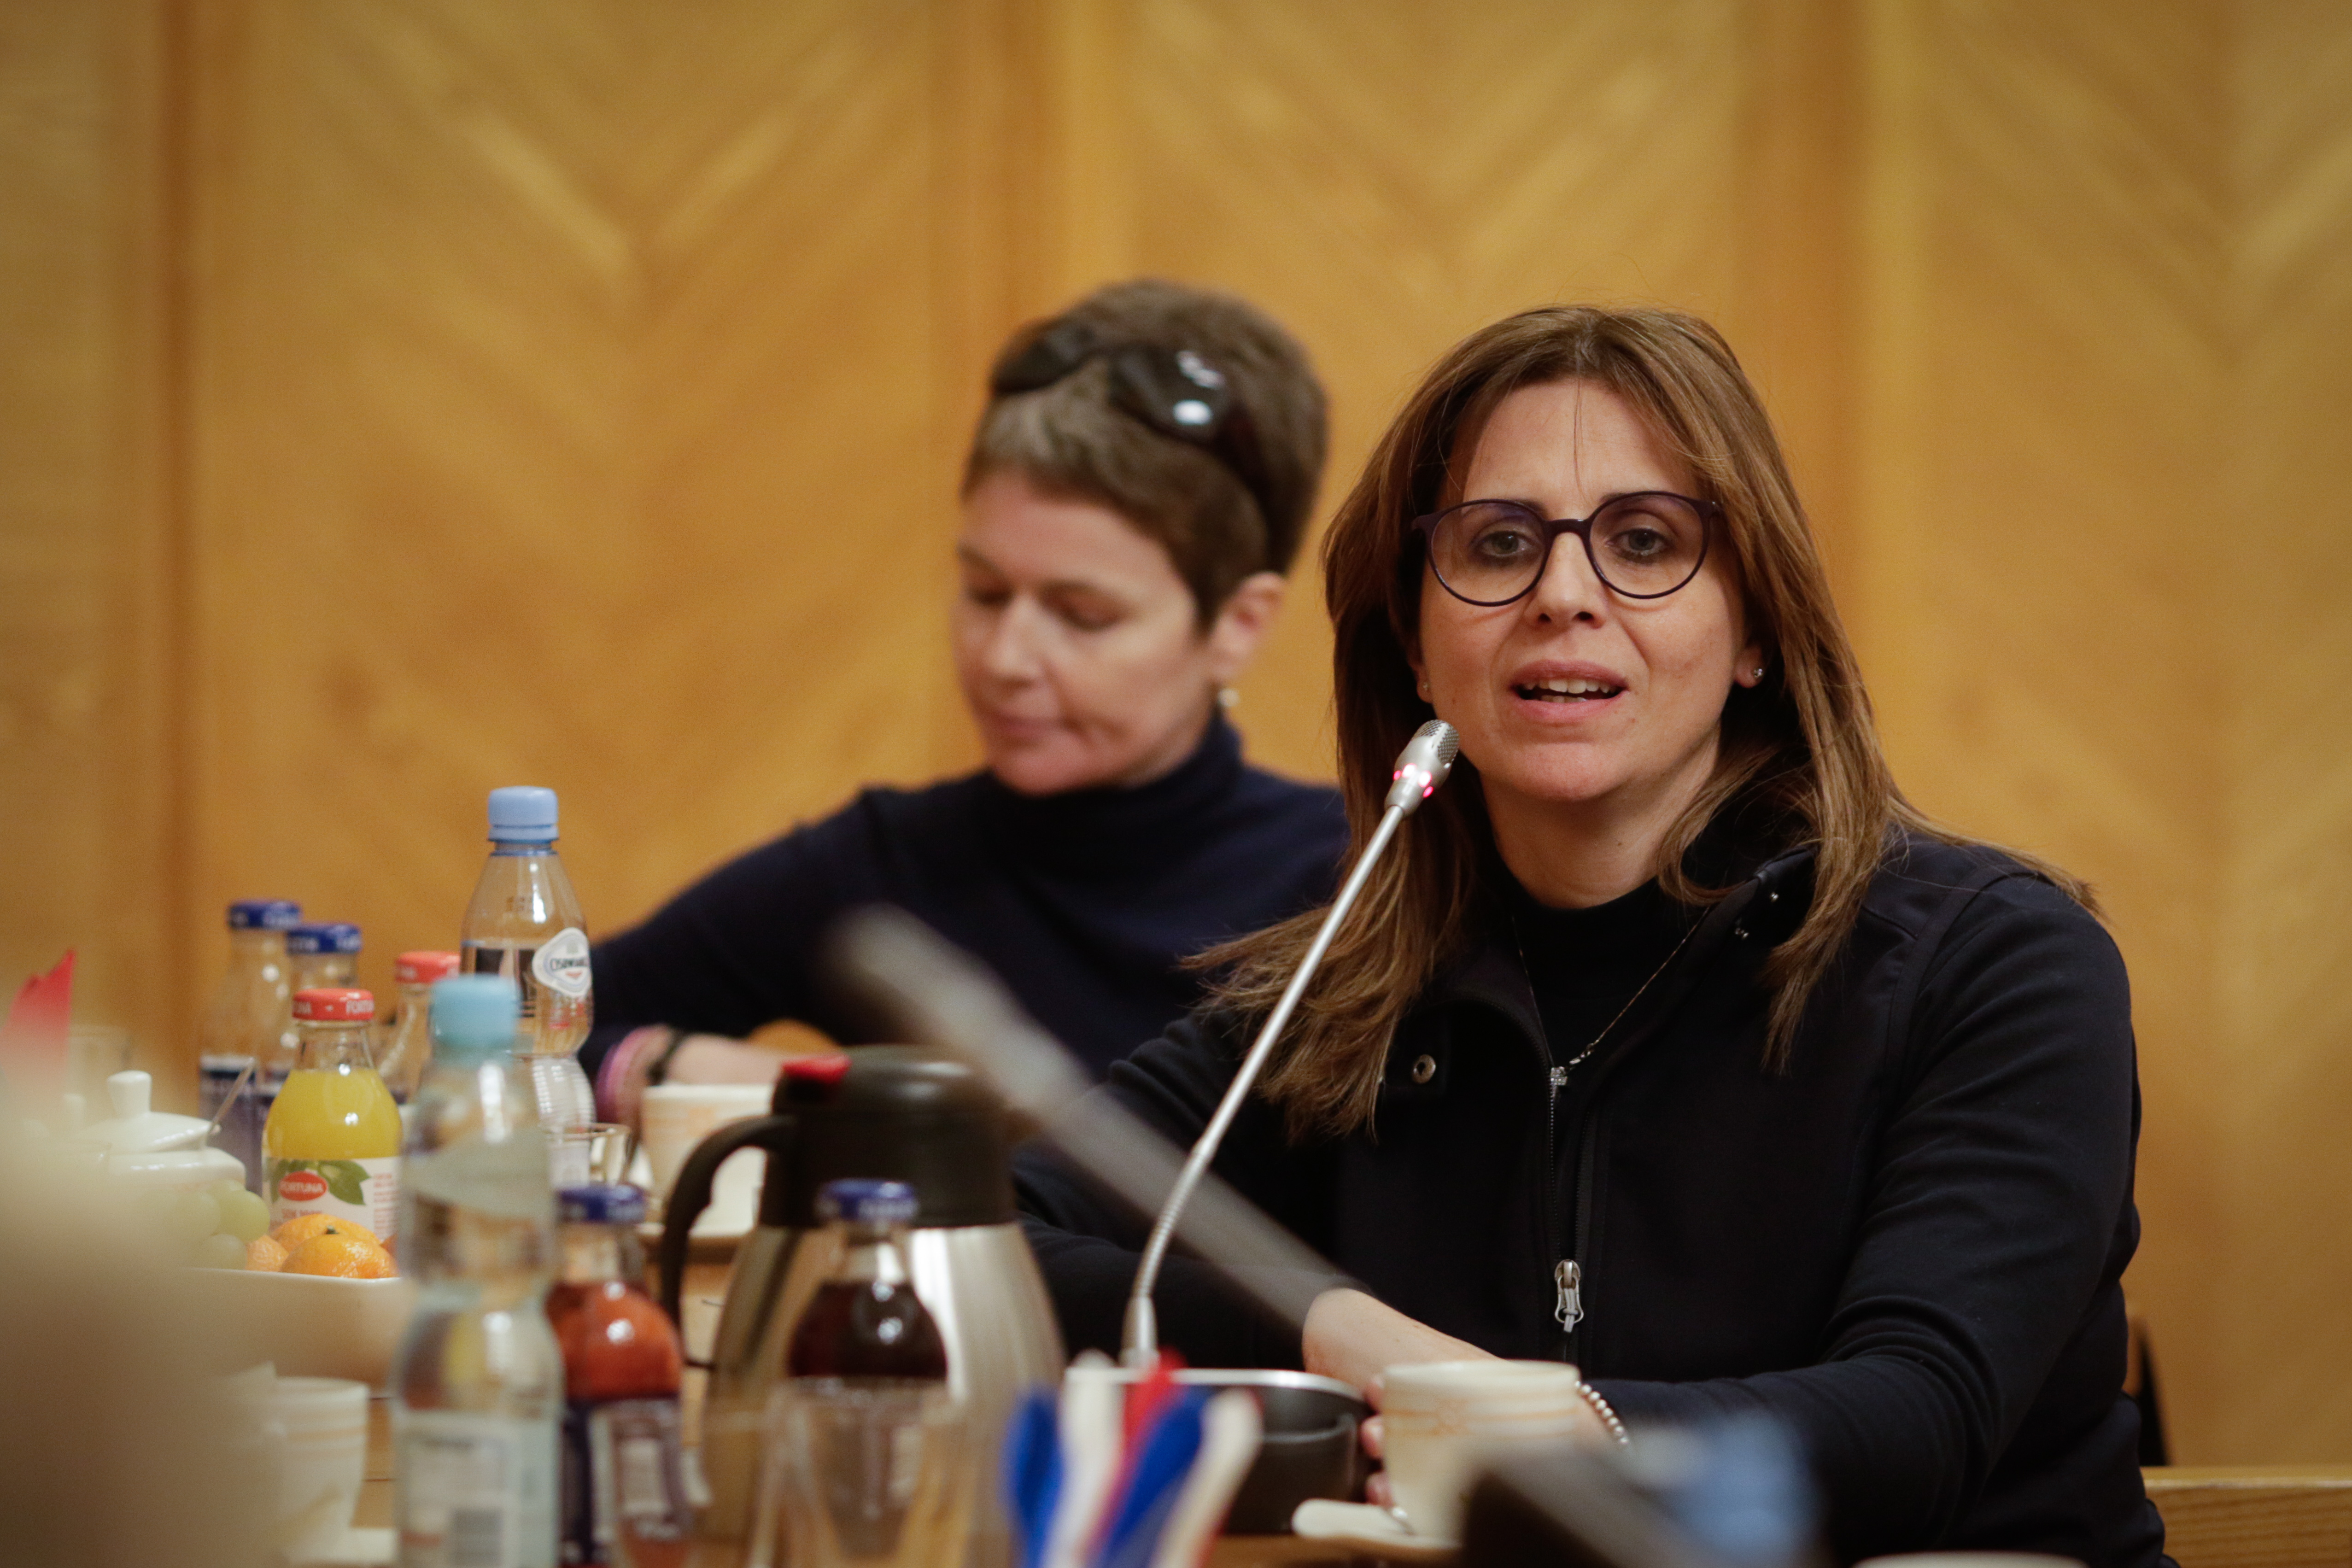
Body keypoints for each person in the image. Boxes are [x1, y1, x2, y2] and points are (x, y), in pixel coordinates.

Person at [1013, 305, 2164, 1565]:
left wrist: (1577, 1435)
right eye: (1499, 544)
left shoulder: (1993, 964)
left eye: (1645, 542)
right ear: (1415, 641)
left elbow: (1917, 1423)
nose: (1563, 595)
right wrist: (1326, 1324)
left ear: (1757, 630)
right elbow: (991, 1241)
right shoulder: (1347, 1001)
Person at [585, 280, 1348, 1122]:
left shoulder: (1357, 888)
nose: (1004, 659)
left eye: (1082, 615)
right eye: (985, 593)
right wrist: (700, 1072)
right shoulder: (882, 868)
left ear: (1238, 624)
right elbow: (510, 1034)